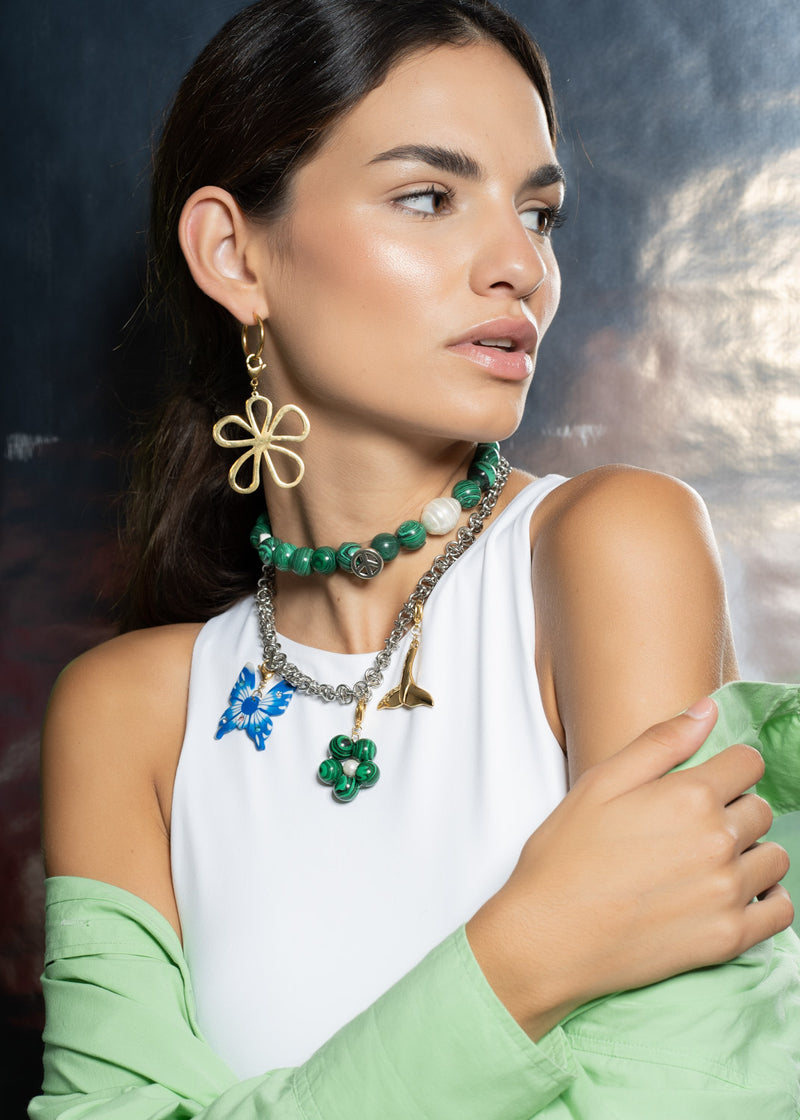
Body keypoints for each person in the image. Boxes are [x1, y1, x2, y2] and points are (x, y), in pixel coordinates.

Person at [31, 1, 800, 1117]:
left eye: (538, 213)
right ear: (234, 252)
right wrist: (526, 952)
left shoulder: (606, 548)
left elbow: (689, 1099)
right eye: (429, 197)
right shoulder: (128, 712)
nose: (520, 266)